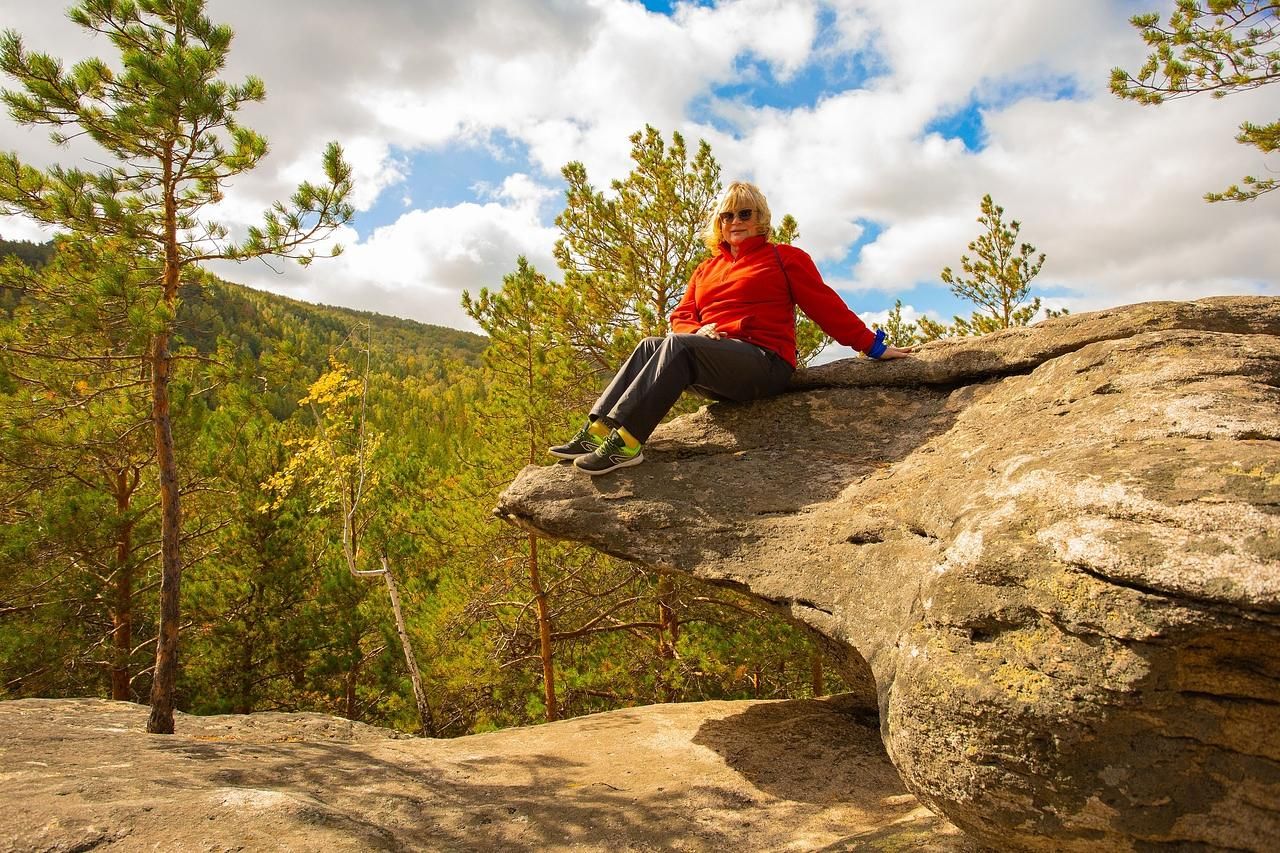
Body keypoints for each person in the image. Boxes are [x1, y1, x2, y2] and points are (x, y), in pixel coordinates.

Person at [550, 180, 913, 475]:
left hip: (764, 364)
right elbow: (681, 316)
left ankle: (627, 442)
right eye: (727, 215)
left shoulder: (784, 258)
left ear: (760, 219)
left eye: (745, 213)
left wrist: (872, 346)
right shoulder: (706, 268)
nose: (735, 220)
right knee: (650, 344)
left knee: (678, 347)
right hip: (712, 363)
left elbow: (825, 305)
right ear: (718, 223)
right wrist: (699, 332)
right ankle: (596, 431)